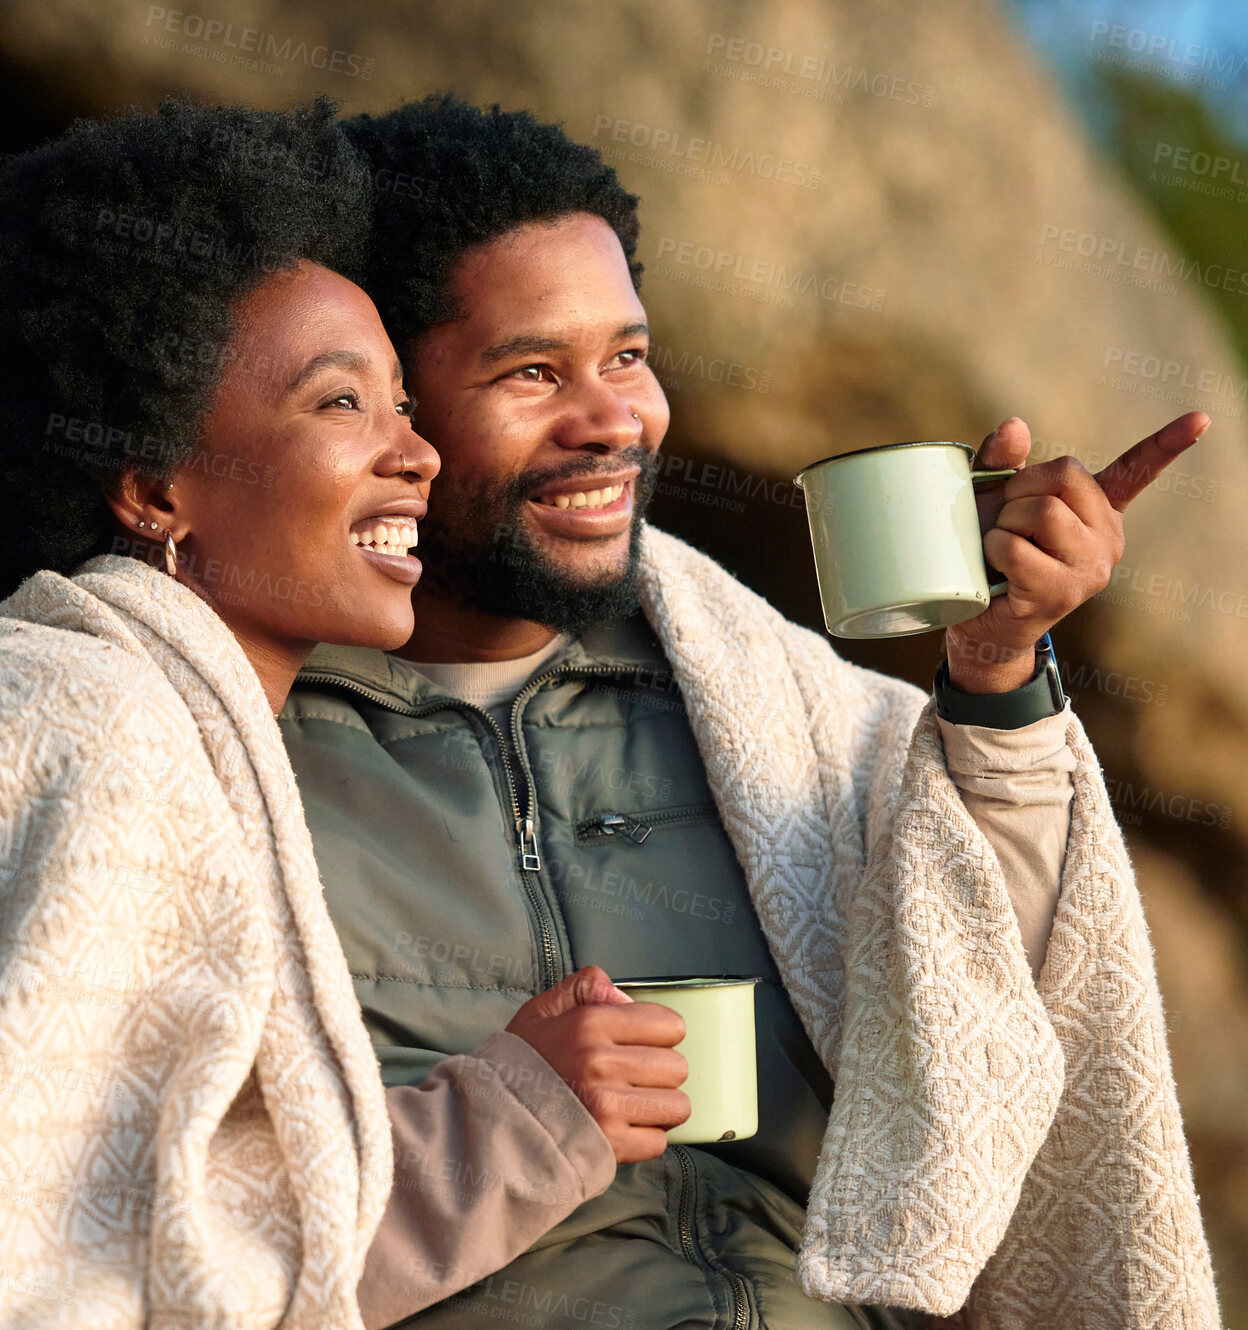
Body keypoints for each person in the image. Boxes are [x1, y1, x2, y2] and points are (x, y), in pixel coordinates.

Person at [278, 95, 1222, 1329]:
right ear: (388, 409)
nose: (615, 419)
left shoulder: (782, 716)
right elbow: (173, 1232)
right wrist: (508, 1115)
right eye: (531, 372)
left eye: (626, 356)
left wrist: (996, 670)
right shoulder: (245, 759)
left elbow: (1000, 991)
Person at [0, 98, 466, 1329]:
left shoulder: (43, 706)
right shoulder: (93, 740)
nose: (418, 453)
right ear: (152, 488)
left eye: (402, 400)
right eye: (342, 402)